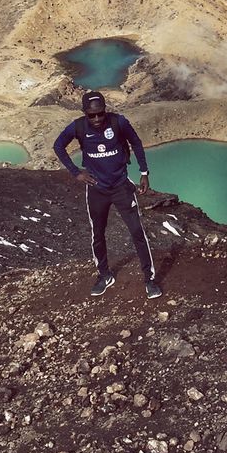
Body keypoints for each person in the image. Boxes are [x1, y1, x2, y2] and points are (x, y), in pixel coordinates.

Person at [53, 90, 161, 299]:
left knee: (137, 232)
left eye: (99, 113)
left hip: (121, 187)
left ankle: (149, 279)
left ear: (105, 110)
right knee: (98, 235)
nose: (96, 118)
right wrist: (76, 172)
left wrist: (144, 172)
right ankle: (104, 275)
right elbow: (58, 146)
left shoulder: (118, 122)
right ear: (85, 113)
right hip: (96, 190)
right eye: (91, 115)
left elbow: (136, 143)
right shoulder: (78, 126)